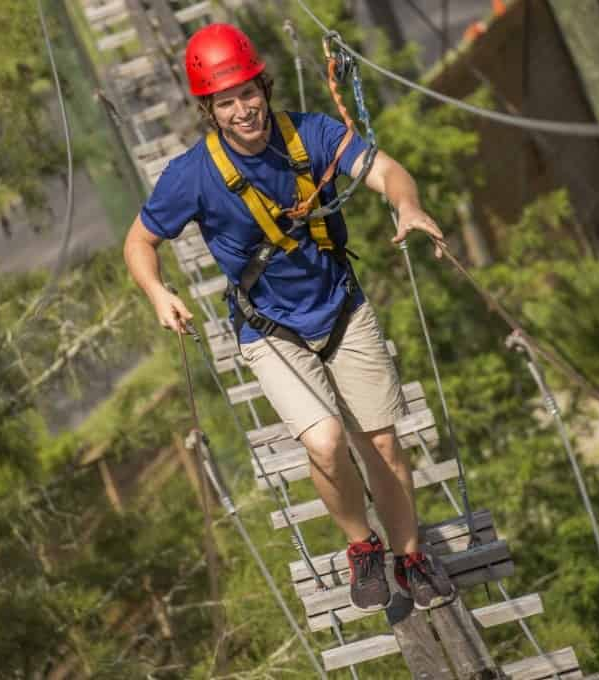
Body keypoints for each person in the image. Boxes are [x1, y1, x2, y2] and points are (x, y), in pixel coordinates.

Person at [123, 23, 453, 612]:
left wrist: (409, 206)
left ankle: (410, 556)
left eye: (249, 93)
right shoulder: (191, 176)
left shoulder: (313, 133)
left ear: (263, 86)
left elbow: (386, 171)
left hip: (342, 308)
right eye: (226, 102)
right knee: (326, 443)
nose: (243, 109)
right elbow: (139, 242)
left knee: (381, 443)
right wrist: (157, 294)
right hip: (269, 327)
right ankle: (362, 546)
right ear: (210, 109)